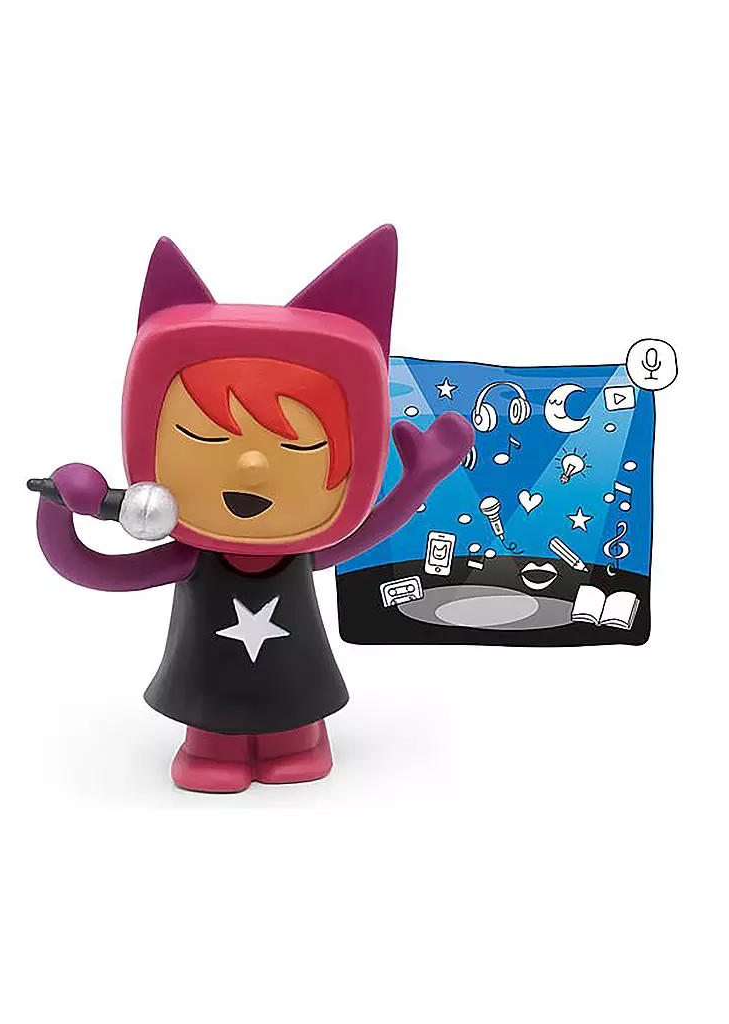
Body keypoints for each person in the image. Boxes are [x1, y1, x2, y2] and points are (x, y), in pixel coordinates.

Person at [32, 226, 473, 792]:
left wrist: (420, 481)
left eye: (300, 448)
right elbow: (92, 569)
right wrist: (56, 507)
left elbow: (371, 531)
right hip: (209, 684)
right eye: (206, 438)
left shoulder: (301, 552)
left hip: (295, 680)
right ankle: (215, 749)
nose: (252, 467)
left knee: (295, 719)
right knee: (213, 731)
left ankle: (300, 741)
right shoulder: (192, 556)